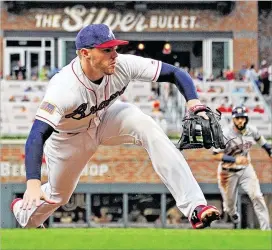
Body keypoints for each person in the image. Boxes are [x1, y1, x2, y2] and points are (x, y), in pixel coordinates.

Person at [10, 24, 220, 229]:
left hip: (106, 117)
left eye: (115, 48)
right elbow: (37, 134)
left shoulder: (123, 65)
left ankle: (195, 207)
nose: (114, 55)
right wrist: (33, 183)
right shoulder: (63, 88)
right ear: (85, 53)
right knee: (59, 196)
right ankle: (24, 211)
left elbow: (174, 73)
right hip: (69, 138)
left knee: (147, 126)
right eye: (106, 50)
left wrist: (194, 102)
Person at [212, 106, 271, 230]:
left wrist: (269, 152)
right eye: (237, 118)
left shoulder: (252, 130)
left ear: (246, 119)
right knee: (229, 206)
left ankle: (266, 230)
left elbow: (264, 144)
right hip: (227, 172)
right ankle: (233, 213)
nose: (240, 121)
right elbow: (216, 155)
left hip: (246, 169)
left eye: (242, 118)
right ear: (233, 119)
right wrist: (234, 159)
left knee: (257, 196)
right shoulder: (225, 133)